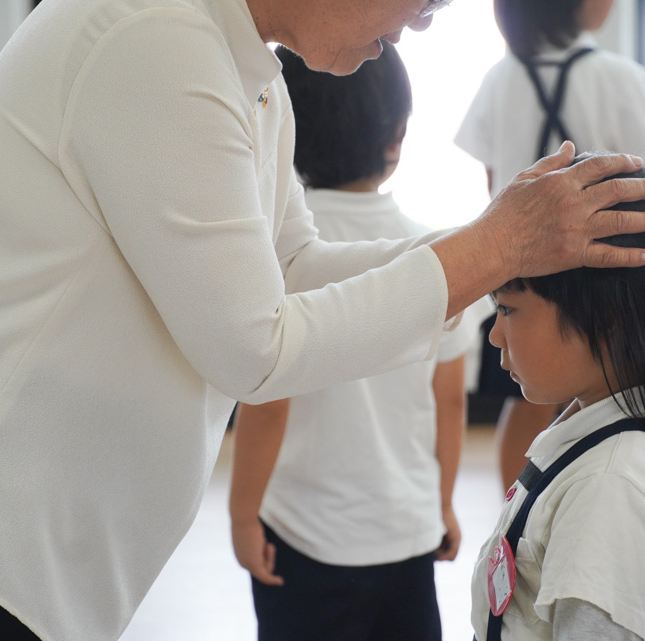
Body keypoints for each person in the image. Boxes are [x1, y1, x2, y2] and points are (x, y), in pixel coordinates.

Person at [0, 0, 645, 638]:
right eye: (421, 2)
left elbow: (291, 271)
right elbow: (257, 346)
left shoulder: (253, 78)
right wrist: (493, 248)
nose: (415, 26)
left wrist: (496, 246)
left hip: (33, 551)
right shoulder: (156, 37)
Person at [229, 42, 492, 641]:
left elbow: (267, 400)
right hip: (406, 533)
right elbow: (450, 401)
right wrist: (442, 503)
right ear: (397, 137)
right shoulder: (431, 256)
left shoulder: (274, 255)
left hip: (302, 534)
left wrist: (244, 513)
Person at [470, 160, 645, 641]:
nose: (497, 335)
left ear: (606, 317)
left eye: (508, 308)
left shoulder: (612, 487)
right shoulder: (592, 438)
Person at [454, 0, 645, 491]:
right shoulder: (619, 75)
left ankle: (515, 515)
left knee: (520, 400)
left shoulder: (500, 76)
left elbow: (494, 186)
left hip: (520, 270)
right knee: (605, 394)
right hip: (607, 272)